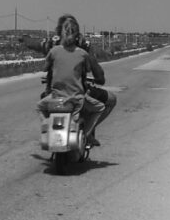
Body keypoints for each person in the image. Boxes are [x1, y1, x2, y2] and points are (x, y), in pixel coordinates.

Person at [36, 14, 113, 146]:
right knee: (108, 101)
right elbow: (98, 76)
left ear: (59, 32)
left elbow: (44, 66)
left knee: (41, 104)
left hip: (54, 95)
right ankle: (87, 134)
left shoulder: (52, 47)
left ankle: (47, 126)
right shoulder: (83, 50)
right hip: (77, 96)